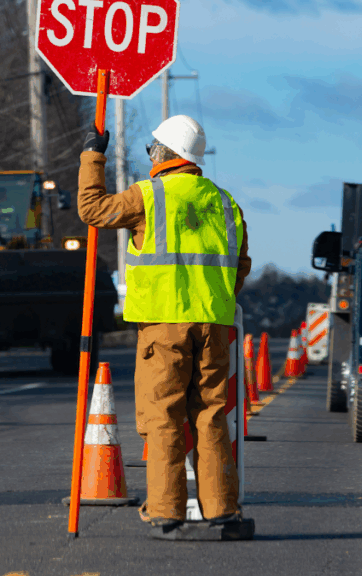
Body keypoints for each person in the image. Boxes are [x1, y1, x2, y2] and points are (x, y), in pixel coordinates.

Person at [77, 114, 252, 538]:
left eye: (151, 148)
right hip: (213, 324)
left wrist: (92, 156)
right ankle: (222, 511)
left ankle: (166, 511)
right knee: (210, 416)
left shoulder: (146, 196)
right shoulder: (225, 202)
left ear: (162, 153)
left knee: (164, 416)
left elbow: (91, 210)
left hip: (163, 325)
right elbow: (240, 265)